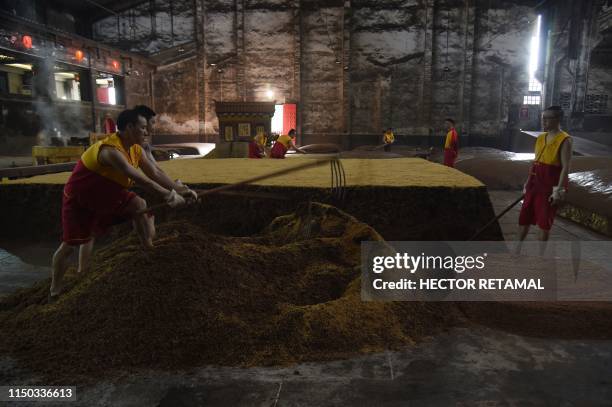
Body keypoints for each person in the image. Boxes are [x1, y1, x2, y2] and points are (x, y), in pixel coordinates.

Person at [49, 109, 198, 300]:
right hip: (80, 199)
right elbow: (142, 180)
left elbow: (155, 173)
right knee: (70, 245)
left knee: (139, 205)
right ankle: (55, 289)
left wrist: (182, 190)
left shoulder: (136, 149)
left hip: (108, 194)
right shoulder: (110, 151)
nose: (147, 132)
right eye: (143, 128)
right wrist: (168, 196)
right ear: (129, 127)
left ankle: (148, 249)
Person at [517, 106, 572, 249]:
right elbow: (535, 162)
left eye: (548, 118)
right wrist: (527, 182)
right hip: (535, 183)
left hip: (549, 185)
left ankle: (541, 257)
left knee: (544, 222)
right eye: (543, 118)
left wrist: (558, 190)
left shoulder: (564, 140)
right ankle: (516, 250)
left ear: (558, 119)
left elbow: (565, 167)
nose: (544, 121)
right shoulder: (541, 138)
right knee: (524, 218)